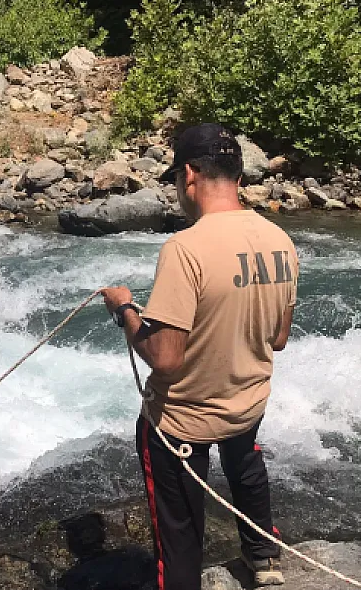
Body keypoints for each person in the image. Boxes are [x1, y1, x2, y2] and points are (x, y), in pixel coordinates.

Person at [101, 123, 299, 589]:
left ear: (189, 175)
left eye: (175, 180)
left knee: (179, 532)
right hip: (246, 404)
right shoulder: (280, 240)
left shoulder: (184, 248)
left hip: (181, 423)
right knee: (246, 464)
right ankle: (263, 558)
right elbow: (279, 338)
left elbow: (165, 358)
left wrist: (126, 310)